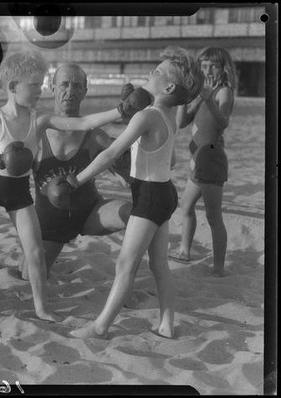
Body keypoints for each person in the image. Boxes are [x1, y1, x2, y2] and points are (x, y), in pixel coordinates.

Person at [0, 49, 146, 328]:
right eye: (36, 85)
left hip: (54, 203)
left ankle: (61, 303)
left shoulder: (61, 126)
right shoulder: (9, 122)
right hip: (17, 206)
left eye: (76, 85)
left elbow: (93, 131)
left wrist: (124, 112)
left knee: (40, 251)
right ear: (18, 87)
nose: (41, 91)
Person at [67, 47, 204, 339]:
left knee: (125, 264)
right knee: (159, 265)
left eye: (157, 71)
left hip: (150, 197)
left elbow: (110, 154)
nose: (150, 72)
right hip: (166, 193)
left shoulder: (147, 116)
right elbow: (172, 161)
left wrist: (77, 179)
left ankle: (100, 326)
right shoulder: (168, 117)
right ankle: (166, 324)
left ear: (168, 86)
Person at [18, 63, 133, 281]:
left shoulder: (96, 135)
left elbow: (126, 178)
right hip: (49, 225)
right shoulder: (35, 133)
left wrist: (133, 119)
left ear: (85, 92)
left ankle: (125, 277)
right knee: (28, 278)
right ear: (52, 88)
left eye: (77, 86)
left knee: (133, 214)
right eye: (64, 84)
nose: (70, 91)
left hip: (90, 213)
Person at [169, 47, 237, 278]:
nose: (207, 69)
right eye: (204, 65)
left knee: (213, 215)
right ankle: (185, 250)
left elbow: (223, 122)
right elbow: (181, 122)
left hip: (211, 160)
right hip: (197, 160)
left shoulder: (223, 92)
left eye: (213, 66)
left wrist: (208, 100)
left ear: (223, 68)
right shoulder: (202, 93)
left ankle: (218, 267)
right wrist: (183, 98)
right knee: (186, 207)